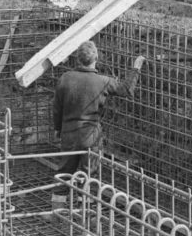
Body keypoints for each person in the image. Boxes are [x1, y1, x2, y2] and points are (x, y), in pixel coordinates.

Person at [51, 41, 145, 207]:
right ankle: (84, 212)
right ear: (96, 58)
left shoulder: (65, 79)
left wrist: (58, 129)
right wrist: (136, 68)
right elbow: (126, 89)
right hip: (91, 136)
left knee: (64, 171)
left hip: (69, 133)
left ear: (77, 59)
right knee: (89, 173)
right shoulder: (103, 81)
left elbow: (57, 109)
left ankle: (57, 210)